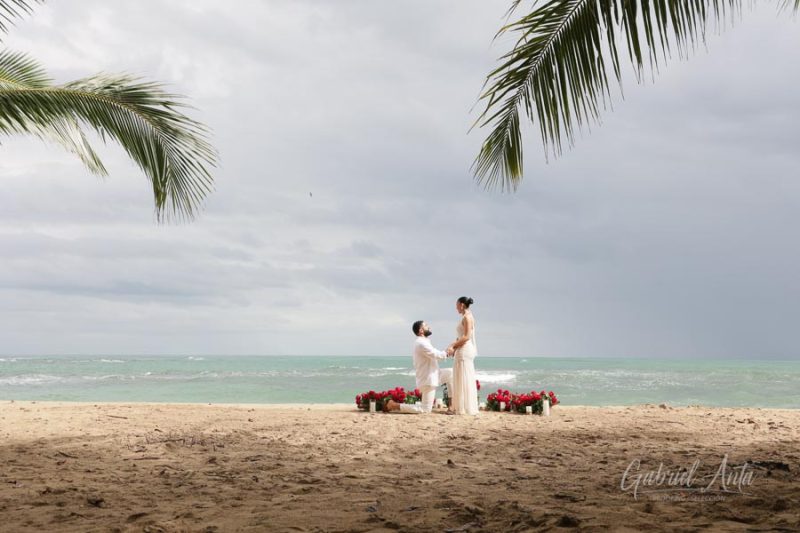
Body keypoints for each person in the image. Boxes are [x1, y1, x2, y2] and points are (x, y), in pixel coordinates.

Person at [383, 320, 454, 413]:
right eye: (426, 325)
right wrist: (448, 351)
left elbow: (437, 355)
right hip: (428, 379)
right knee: (425, 409)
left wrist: (447, 351)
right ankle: (394, 405)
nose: (429, 327)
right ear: (421, 330)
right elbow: (437, 355)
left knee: (452, 374)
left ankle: (452, 405)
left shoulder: (425, 342)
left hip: (435, 374)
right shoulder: (421, 343)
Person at [449, 296, 479, 415]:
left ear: (461, 305)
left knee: (463, 377)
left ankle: (463, 407)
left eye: (457, 305)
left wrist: (453, 346)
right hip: (461, 348)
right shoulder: (466, 317)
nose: (456, 308)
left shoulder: (467, 317)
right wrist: (455, 346)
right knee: (462, 376)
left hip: (465, 350)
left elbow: (466, 337)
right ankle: (462, 406)